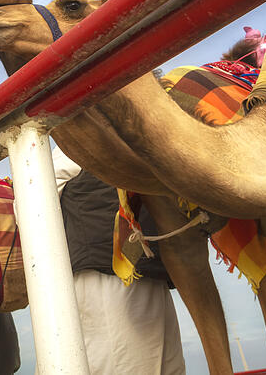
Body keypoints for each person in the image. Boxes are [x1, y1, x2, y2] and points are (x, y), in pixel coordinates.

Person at [53, 147, 186, 374]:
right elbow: (31, 204)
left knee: (165, 365)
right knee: (119, 363)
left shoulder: (134, 138)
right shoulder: (72, 144)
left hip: (146, 271)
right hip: (102, 277)